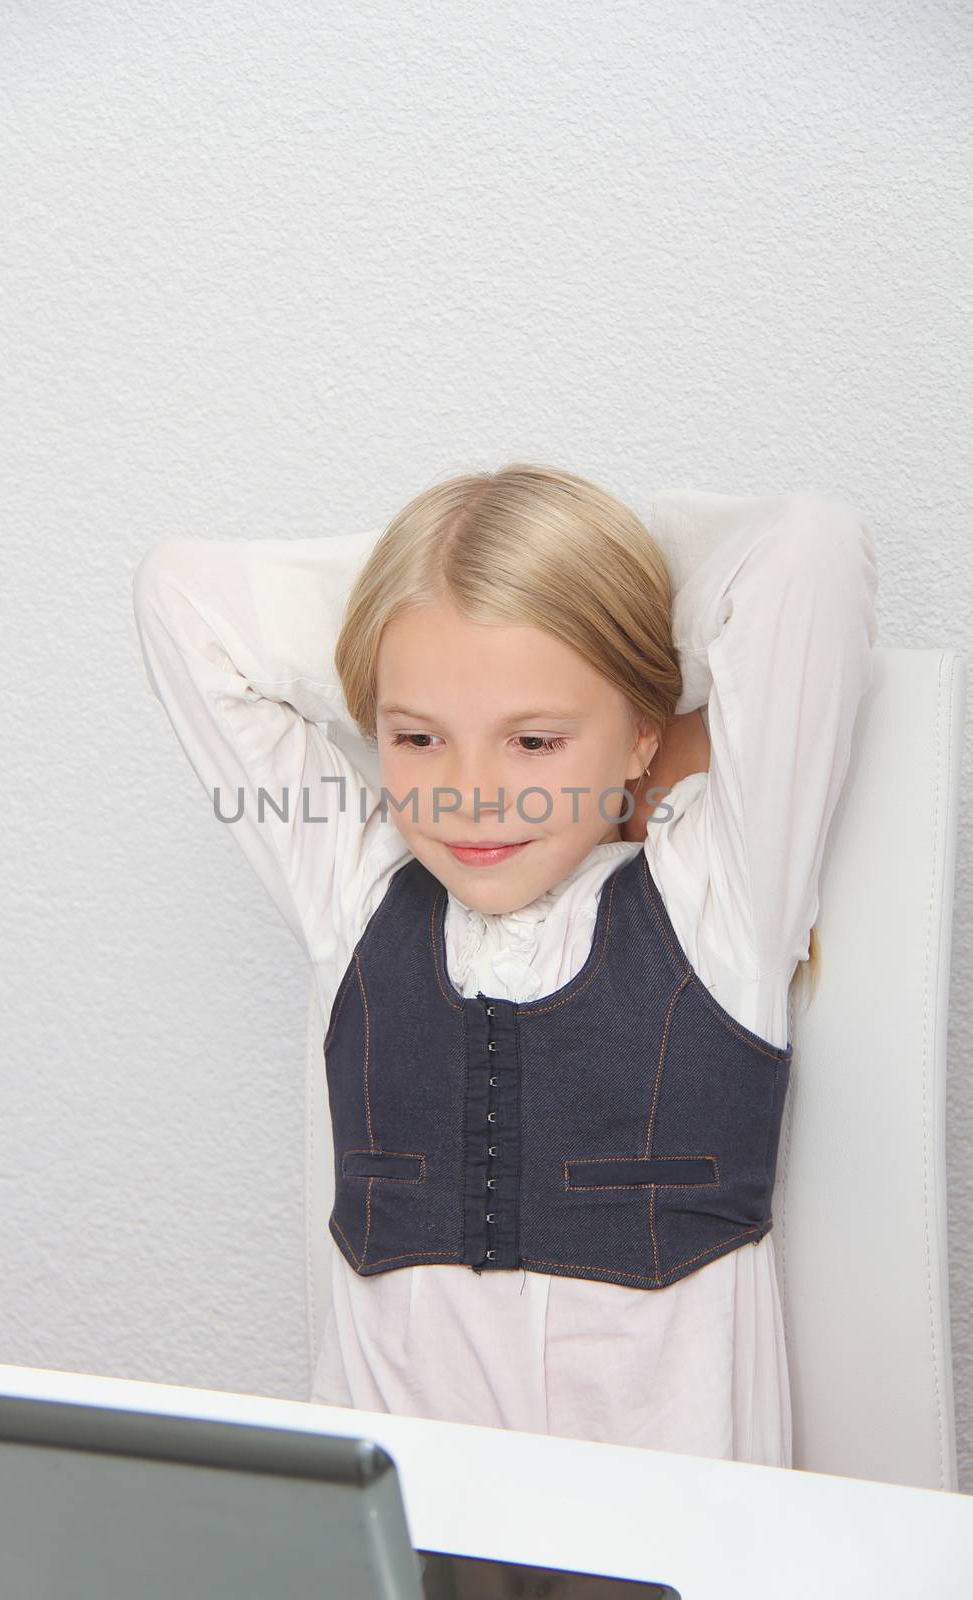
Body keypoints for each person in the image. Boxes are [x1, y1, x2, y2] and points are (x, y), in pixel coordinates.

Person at [131, 464, 878, 1468]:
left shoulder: (720, 907)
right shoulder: (354, 897)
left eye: (531, 739)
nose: (470, 795)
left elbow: (807, 551)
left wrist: (591, 582)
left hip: (673, 1551)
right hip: (401, 1554)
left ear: (641, 733)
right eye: (416, 736)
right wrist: (427, 585)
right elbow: (181, 594)